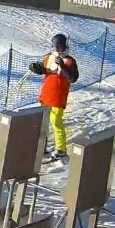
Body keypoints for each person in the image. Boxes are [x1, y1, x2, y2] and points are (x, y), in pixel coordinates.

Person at [29, 34, 79, 162]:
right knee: (43, 123)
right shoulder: (49, 58)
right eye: (55, 46)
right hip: (46, 95)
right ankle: (42, 146)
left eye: (59, 47)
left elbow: (72, 78)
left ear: (64, 46)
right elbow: (46, 70)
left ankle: (61, 150)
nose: (57, 49)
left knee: (56, 122)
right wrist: (36, 69)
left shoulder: (69, 61)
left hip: (58, 97)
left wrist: (63, 66)